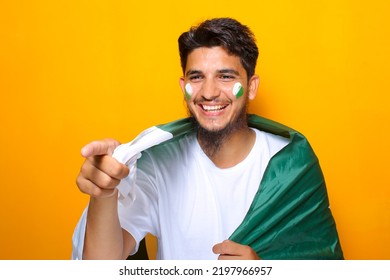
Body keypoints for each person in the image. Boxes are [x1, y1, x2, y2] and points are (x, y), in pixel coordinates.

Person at [72, 17, 343, 260]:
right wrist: (104, 194)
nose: (209, 92)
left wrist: (262, 271)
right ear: (184, 86)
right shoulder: (158, 164)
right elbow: (99, 266)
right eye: (197, 77)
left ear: (251, 87)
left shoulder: (291, 164)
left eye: (225, 76)